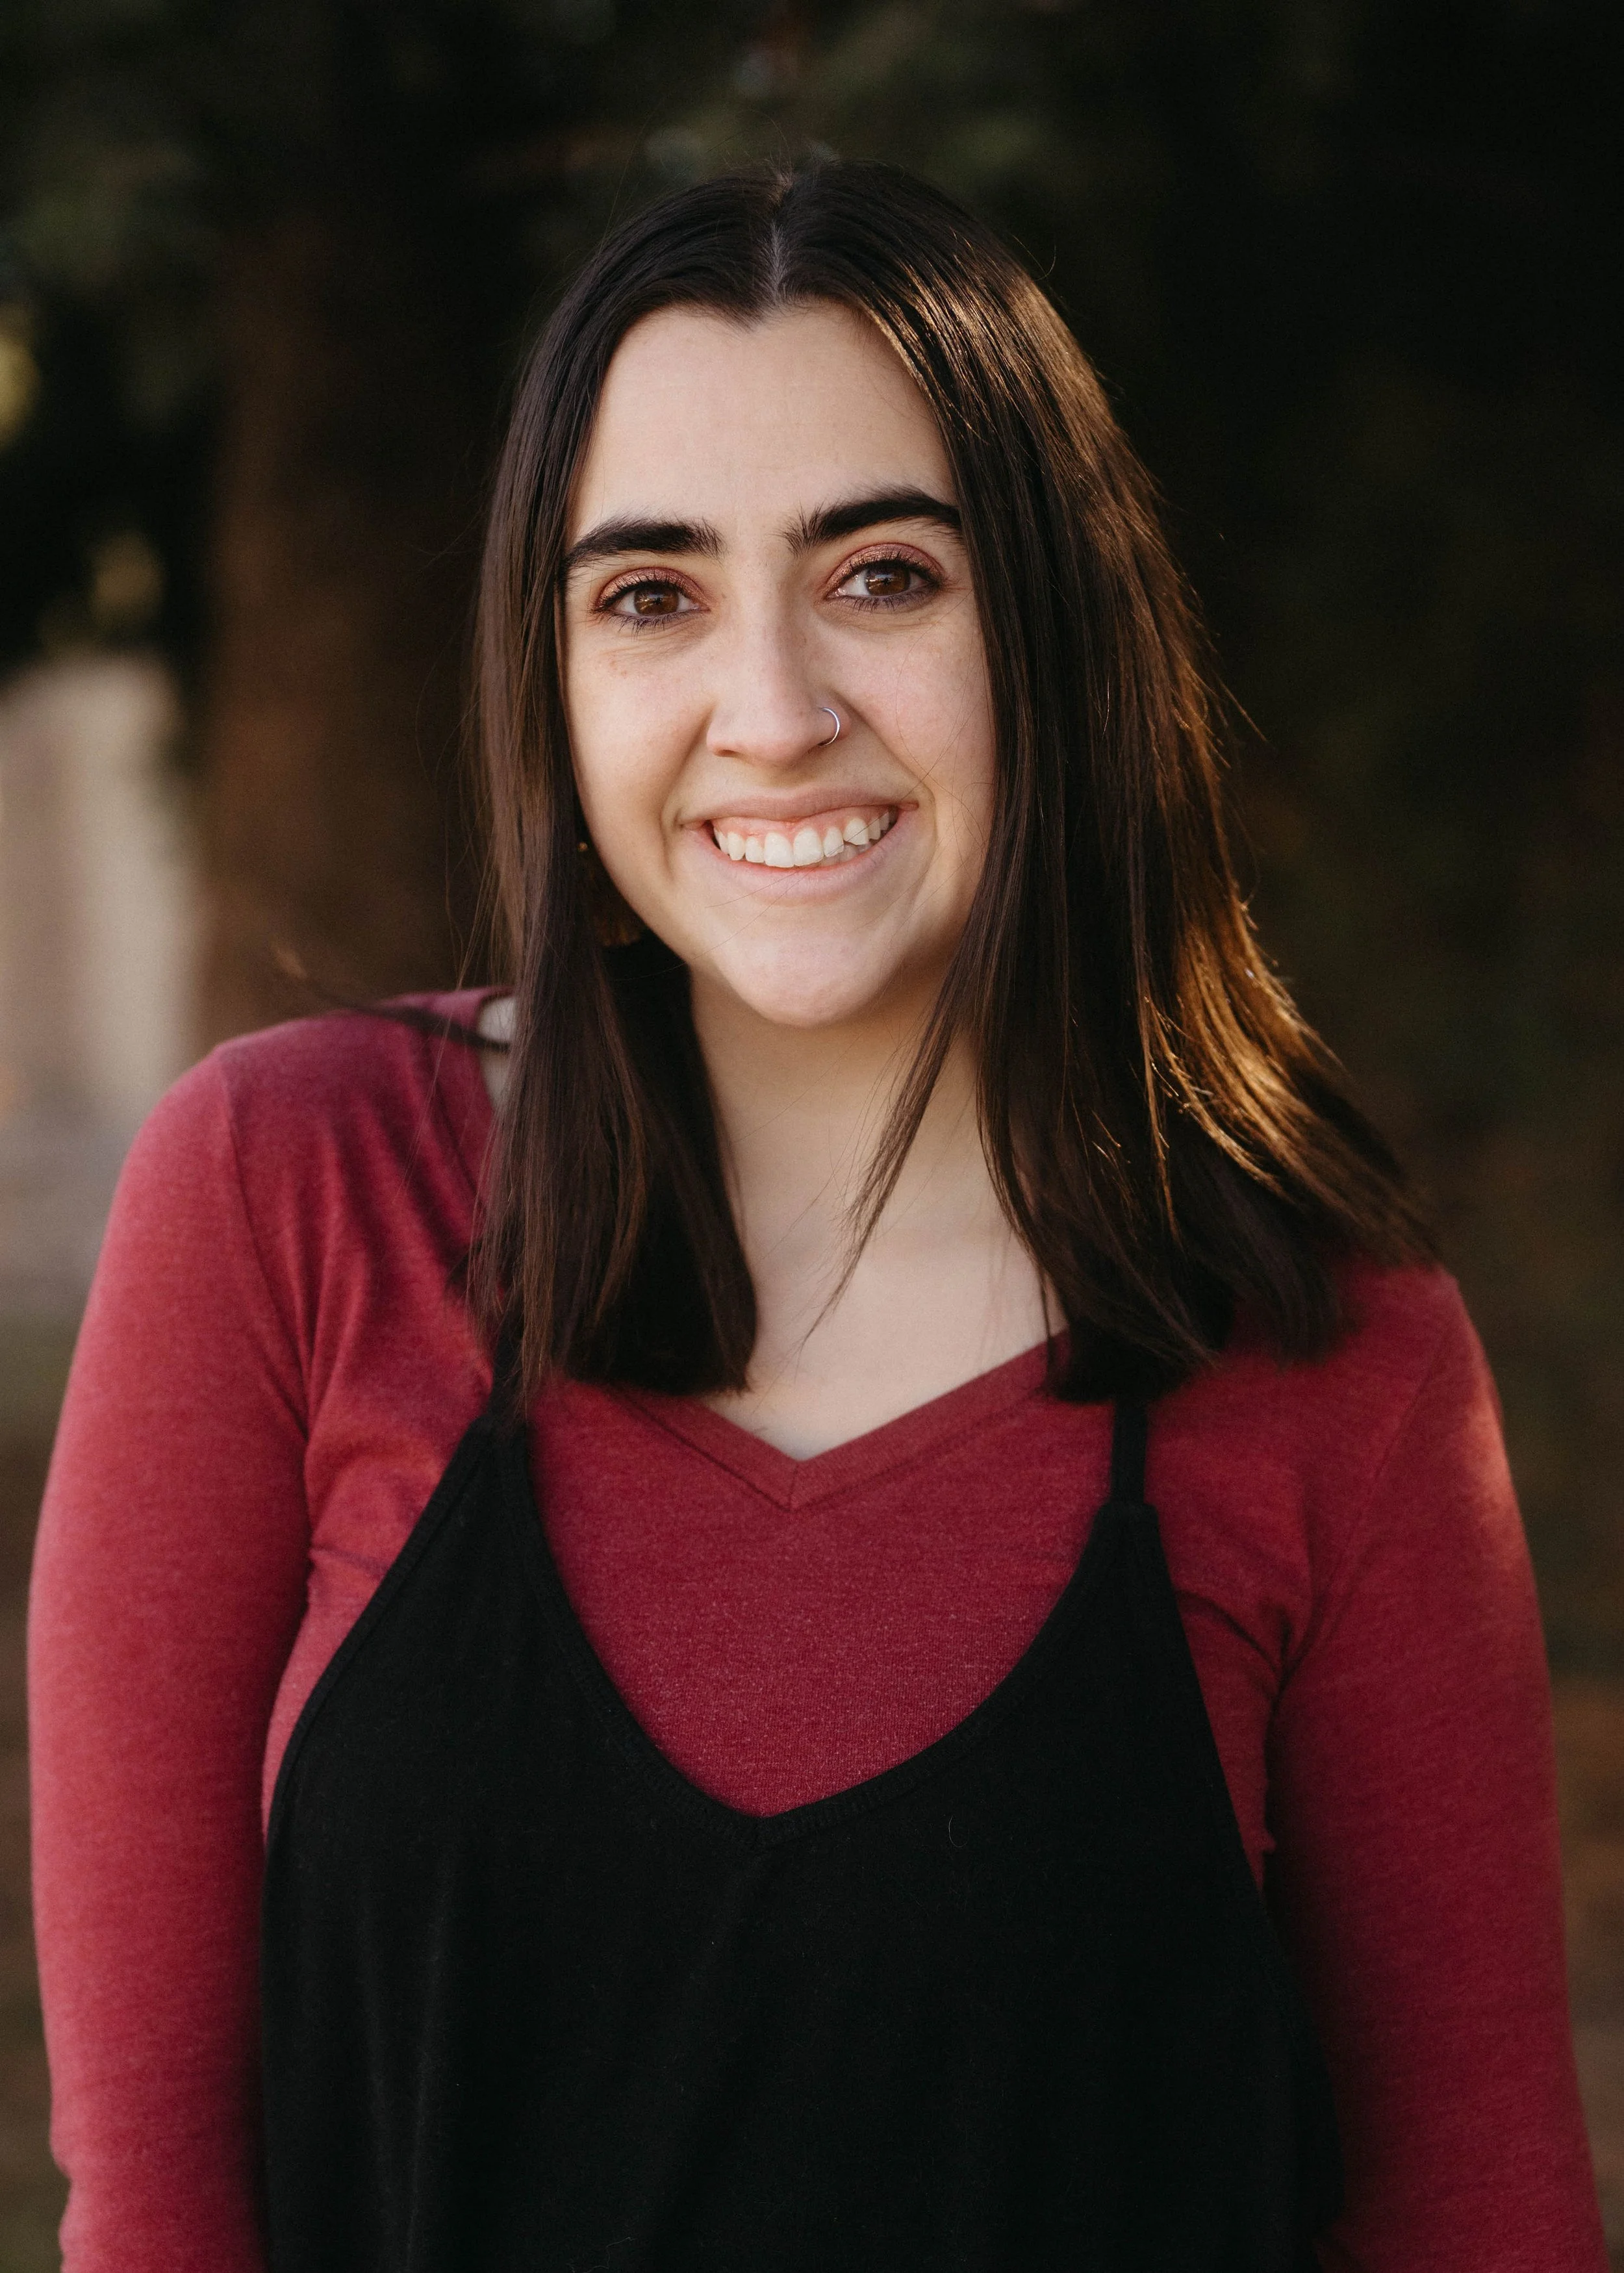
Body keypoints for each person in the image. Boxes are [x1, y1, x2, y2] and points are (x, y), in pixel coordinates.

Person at [28, 162, 1605, 2272]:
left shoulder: (1331, 1349)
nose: (769, 711)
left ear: (1051, 628)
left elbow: (1474, 2214)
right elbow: (156, 2195)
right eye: (650, 595)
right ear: (551, 679)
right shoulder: (291, 1194)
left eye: (881, 576)